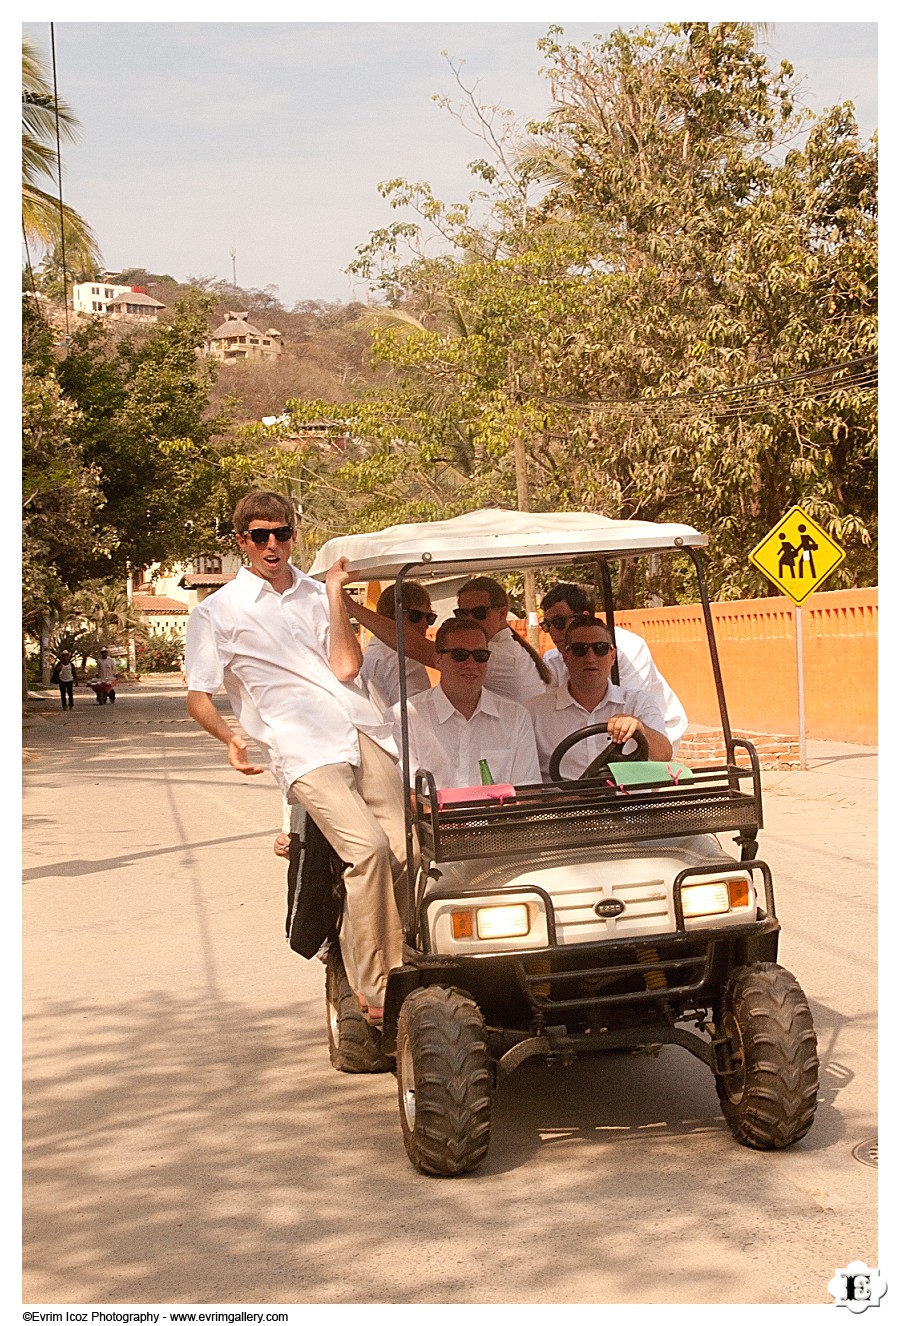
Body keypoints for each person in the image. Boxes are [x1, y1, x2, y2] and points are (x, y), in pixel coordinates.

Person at [185, 490, 407, 1027]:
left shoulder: (316, 592)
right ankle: (377, 986)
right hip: (303, 750)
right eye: (260, 535)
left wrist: (334, 595)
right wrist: (232, 740)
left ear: (293, 537)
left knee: (409, 849)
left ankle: (391, 956)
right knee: (370, 851)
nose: (272, 544)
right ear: (242, 541)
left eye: (281, 534)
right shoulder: (217, 613)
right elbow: (198, 696)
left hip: (361, 730)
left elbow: (348, 668)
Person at [350, 575, 551, 707]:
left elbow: (415, 647)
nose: (469, 620)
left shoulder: (502, 655)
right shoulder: (389, 656)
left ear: (502, 614)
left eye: (479, 613)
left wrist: (350, 606)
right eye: (462, 614)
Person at [388, 617, 541, 790]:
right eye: (459, 655)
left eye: (480, 656)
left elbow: (527, 790)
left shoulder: (516, 716)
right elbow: (406, 795)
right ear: (438, 660)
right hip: (433, 818)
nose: (471, 664)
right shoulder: (403, 717)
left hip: (498, 817)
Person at [538, 583, 687, 752]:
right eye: (546, 625)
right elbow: (553, 713)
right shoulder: (552, 660)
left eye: (558, 622)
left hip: (653, 734)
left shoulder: (630, 647)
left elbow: (628, 711)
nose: (552, 631)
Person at [527, 616, 672, 781]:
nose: (590, 657)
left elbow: (665, 755)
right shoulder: (534, 712)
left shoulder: (638, 702)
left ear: (612, 656)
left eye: (600, 648)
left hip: (628, 803)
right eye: (580, 649)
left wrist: (641, 729)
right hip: (565, 804)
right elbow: (526, 780)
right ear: (566, 657)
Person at [359, 581, 435, 711]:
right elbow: (417, 715)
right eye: (415, 616)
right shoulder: (404, 659)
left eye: (430, 617)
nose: (425, 624)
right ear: (393, 616)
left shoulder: (368, 655)